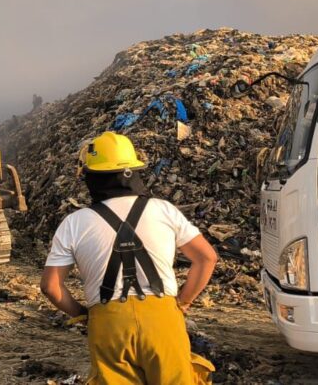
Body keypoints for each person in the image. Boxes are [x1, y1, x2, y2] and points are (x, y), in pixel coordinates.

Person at [40, 131, 218, 384]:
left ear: (91, 177)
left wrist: (84, 314)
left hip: (108, 326)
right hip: (164, 321)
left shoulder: (74, 223)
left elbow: (50, 286)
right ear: (133, 171)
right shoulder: (164, 210)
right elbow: (207, 258)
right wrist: (183, 302)